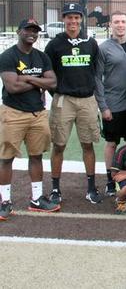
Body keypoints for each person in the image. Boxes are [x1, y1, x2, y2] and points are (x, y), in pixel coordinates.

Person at [0, 19, 59, 220]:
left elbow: (52, 82)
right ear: (19, 31)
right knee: (6, 158)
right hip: (13, 113)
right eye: (28, 29)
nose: (32, 33)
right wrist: (38, 82)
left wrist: (27, 78)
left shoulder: (41, 57)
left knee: (36, 156)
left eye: (35, 31)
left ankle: (36, 198)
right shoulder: (8, 56)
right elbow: (12, 88)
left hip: (37, 113)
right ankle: (4, 201)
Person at [45, 3, 102, 205]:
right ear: (64, 19)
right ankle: (55, 188)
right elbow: (48, 73)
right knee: (59, 145)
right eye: (69, 17)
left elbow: (96, 72)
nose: (73, 21)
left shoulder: (90, 42)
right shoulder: (55, 44)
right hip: (64, 99)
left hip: (87, 100)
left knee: (88, 144)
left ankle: (91, 187)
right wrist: (58, 93)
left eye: (77, 17)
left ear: (81, 19)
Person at [95, 11, 126, 196]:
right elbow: (97, 78)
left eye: (123, 21)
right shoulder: (103, 48)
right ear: (111, 25)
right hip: (113, 105)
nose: (120, 25)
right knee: (112, 143)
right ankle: (109, 179)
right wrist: (103, 106)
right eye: (116, 22)